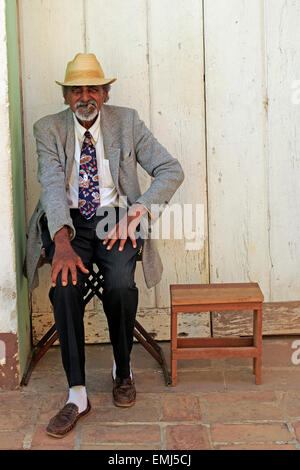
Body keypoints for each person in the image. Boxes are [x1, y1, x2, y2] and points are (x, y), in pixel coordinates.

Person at [26, 53, 184, 438]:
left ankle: (122, 368)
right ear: (66, 96)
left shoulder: (126, 122)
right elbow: (51, 183)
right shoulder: (48, 128)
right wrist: (60, 240)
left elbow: (170, 169)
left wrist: (138, 212)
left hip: (116, 218)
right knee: (63, 287)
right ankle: (77, 393)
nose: (85, 96)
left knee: (118, 284)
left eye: (92, 89)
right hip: (69, 221)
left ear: (105, 93)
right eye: (76, 90)